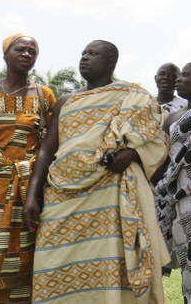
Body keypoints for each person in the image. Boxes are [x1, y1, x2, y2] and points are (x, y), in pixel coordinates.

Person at [25, 40, 170, 303]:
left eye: (93, 54)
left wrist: (132, 154)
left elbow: (155, 139)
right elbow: (47, 149)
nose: (85, 58)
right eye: (83, 53)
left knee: (109, 261)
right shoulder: (66, 101)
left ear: (111, 62)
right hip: (62, 194)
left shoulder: (133, 96)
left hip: (109, 193)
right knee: (52, 262)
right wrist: (33, 195)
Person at [0, 34, 55, 302]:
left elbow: (51, 141)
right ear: (5, 54)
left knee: (24, 252)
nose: (27, 54)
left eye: (32, 51)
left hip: (28, 189)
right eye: (20, 49)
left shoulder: (44, 95)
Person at [154, 62, 191, 304]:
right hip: (178, 196)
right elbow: (164, 158)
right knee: (188, 260)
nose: (179, 79)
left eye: (186, 75)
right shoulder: (172, 117)